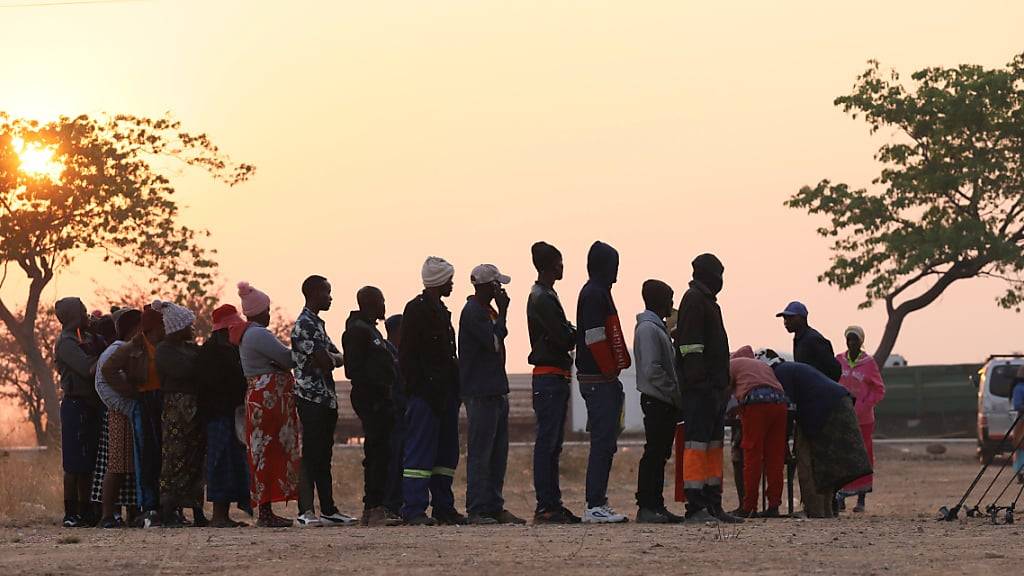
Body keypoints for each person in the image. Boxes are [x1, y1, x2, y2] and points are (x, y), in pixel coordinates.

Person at [756, 349, 871, 518]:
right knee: (827, 462)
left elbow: (788, 410)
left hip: (827, 411)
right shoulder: (791, 368)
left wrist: (782, 442)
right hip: (841, 403)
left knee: (809, 460)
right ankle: (826, 510)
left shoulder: (780, 373)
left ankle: (816, 510)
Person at [675, 254, 742, 524]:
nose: (721, 281)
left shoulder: (708, 303)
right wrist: (700, 383)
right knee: (696, 446)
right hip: (700, 391)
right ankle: (696, 506)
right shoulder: (693, 301)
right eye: (720, 275)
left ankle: (714, 504)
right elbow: (691, 348)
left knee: (714, 447)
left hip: (714, 391)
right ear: (709, 275)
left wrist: (722, 386)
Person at [399, 257, 466, 526]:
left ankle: (443, 506)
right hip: (426, 398)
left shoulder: (441, 311)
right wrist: (421, 389)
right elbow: (407, 357)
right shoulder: (416, 310)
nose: (452, 284)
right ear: (439, 281)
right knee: (419, 455)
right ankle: (414, 509)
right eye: (449, 279)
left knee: (446, 455)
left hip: (446, 395)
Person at [459, 264, 524, 525]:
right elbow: (493, 342)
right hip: (481, 391)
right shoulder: (474, 312)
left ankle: (493, 505)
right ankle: (477, 508)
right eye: (498, 284)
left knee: (497, 453)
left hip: (494, 389)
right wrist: (505, 312)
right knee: (481, 452)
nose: (501, 290)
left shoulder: (485, 311)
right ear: (487, 286)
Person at [291, 275, 356, 527]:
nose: (330, 297)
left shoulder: (317, 324)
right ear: (314, 292)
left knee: (323, 455)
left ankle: (328, 509)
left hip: (325, 398)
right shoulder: (305, 324)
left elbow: (337, 356)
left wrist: (331, 357)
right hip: (311, 398)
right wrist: (331, 357)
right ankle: (305, 510)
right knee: (310, 454)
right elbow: (328, 360)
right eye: (327, 292)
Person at [576, 241, 631, 523]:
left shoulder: (598, 292)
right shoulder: (594, 294)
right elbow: (595, 337)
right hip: (598, 379)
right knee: (602, 442)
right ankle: (594, 504)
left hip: (602, 379)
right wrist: (610, 371)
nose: (617, 272)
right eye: (615, 266)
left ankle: (598, 502)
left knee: (606, 441)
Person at [236, 281, 300, 528]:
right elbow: (287, 357)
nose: (269, 313)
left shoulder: (247, 334)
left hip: (260, 398)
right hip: (268, 401)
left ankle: (266, 510)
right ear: (260, 311)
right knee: (266, 453)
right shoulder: (257, 334)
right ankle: (265, 512)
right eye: (267, 309)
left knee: (262, 453)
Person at [526, 241, 580, 524]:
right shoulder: (542, 298)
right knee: (547, 444)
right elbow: (564, 336)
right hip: (548, 377)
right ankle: (546, 506)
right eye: (559, 262)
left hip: (554, 377)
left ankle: (552, 503)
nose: (562, 267)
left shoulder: (546, 295)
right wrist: (574, 330)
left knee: (552, 444)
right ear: (548, 265)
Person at [342, 286, 403, 526]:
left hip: (381, 398)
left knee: (382, 452)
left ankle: (375, 506)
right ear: (369, 303)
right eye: (381, 301)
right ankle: (374, 507)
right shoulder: (357, 331)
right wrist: (377, 392)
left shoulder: (371, 329)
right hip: (371, 399)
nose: (383, 305)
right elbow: (353, 369)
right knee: (377, 453)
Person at [102, 305, 165, 527]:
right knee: (145, 457)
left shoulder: (161, 346)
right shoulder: (133, 346)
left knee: (160, 456)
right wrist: (130, 391)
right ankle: (147, 508)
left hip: (159, 402)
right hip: (144, 402)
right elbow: (107, 370)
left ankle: (158, 508)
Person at [633, 280, 684, 524]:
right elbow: (652, 369)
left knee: (660, 453)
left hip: (664, 399)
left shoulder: (658, 329)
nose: (671, 305)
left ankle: (656, 504)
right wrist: (674, 392)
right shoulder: (648, 330)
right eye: (669, 299)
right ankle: (647, 505)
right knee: (653, 453)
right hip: (657, 399)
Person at [151, 300, 206, 527]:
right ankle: (168, 509)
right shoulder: (164, 351)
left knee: (195, 459)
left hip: (192, 407)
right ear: (178, 327)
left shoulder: (188, 348)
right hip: (176, 409)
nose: (192, 329)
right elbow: (187, 371)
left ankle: (197, 511)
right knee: (174, 458)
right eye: (189, 325)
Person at [197, 304, 252, 528]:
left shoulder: (228, 350)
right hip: (218, 415)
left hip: (229, 415)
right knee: (221, 463)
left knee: (233, 463)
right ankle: (219, 515)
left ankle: (224, 515)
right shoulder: (211, 353)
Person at [54, 297, 103, 528]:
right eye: (83, 312)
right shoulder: (66, 342)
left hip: (91, 404)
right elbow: (86, 369)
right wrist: (107, 357)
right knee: (74, 463)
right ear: (73, 315)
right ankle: (70, 512)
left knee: (88, 462)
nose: (87, 316)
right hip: (75, 404)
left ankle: (87, 511)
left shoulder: (89, 337)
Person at [94, 308, 142, 528]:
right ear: (134, 328)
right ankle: (107, 515)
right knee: (117, 466)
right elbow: (107, 374)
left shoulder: (117, 348)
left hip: (119, 411)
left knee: (128, 467)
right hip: (122, 413)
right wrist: (131, 392)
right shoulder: (122, 349)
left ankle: (130, 514)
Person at [729, 345, 788, 518]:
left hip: (755, 404)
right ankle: (773, 506)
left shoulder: (732, 365)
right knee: (775, 457)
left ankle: (748, 507)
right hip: (779, 403)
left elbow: (726, 392)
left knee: (752, 455)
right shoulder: (761, 365)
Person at [836, 326, 886, 513]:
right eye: (849, 339)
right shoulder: (839, 360)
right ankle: (840, 496)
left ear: (861, 341)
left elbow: (879, 389)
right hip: (843, 416)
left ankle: (861, 497)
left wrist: (864, 405)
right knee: (842, 456)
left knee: (862, 456)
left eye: (855, 340)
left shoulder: (868, 363)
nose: (851, 343)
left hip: (863, 420)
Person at [776, 301, 841, 382]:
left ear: (802, 318)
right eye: (785, 318)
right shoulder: (799, 338)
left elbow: (834, 369)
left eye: (790, 318)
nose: (786, 322)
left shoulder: (814, 339)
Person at [382, 314, 406, 518]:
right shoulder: (389, 353)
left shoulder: (396, 352)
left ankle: (396, 503)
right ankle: (391, 504)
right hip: (395, 414)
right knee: (394, 459)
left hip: (399, 413)